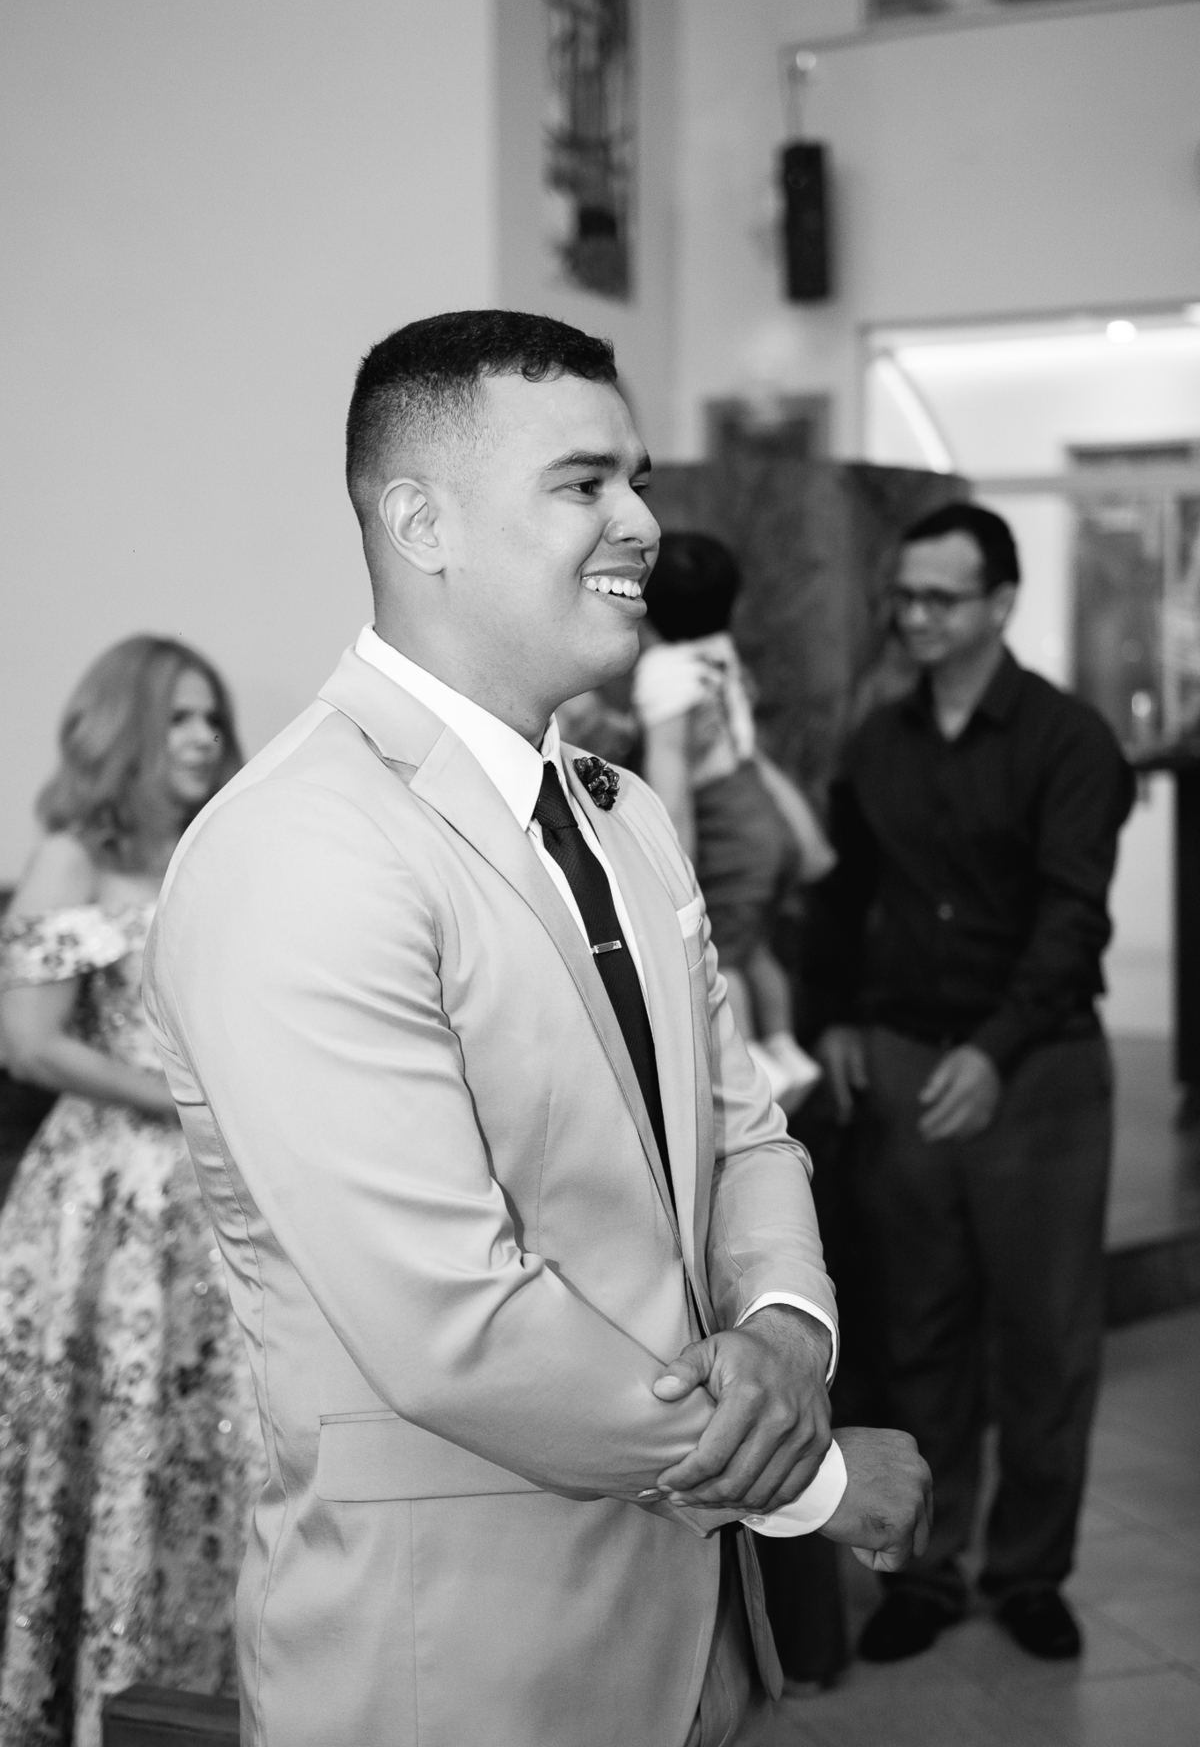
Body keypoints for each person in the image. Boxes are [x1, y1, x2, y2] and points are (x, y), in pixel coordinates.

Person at [143, 309, 931, 1747]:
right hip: (459, 1652)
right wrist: (804, 1482)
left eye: (637, 479)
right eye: (583, 483)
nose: (642, 522)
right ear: (421, 523)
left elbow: (740, 1129)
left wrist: (782, 1328)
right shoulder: (299, 849)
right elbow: (451, 1325)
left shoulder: (622, 816)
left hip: (689, 1627)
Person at [809, 502, 1134, 1665]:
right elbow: (844, 892)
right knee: (922, 1331)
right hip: (906, 1058)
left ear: (1001, 603)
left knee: (1046, 1339)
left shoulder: (1069, 741)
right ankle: (926, 1572)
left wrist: (994, 1051)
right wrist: (834, 1015)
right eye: (903, 596)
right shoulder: (878, 741)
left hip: (1036, 1069)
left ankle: (1029, 1572)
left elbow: (1073, 919)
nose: (915, 617)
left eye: (940, 598)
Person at [0, 637, 265, 1747]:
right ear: (126, 729)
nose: (205, 736)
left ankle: (211, 1701)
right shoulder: (74, 858)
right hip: (107, 1201)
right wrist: (181, 1099)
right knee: (113, 1443)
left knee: (214, 1456)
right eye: (180, 717)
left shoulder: (227, 848)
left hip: (225, 1191)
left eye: (213, 717)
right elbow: (28, 1043)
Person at [635, 532, 831, 1111]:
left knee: (725, 953)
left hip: (727, 821)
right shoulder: (718, 650)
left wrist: (674, 867)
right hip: (762, 811)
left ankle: (755, 1067)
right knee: (757, 944)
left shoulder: (663, 672)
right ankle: (787, 1048)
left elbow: (671, 782)